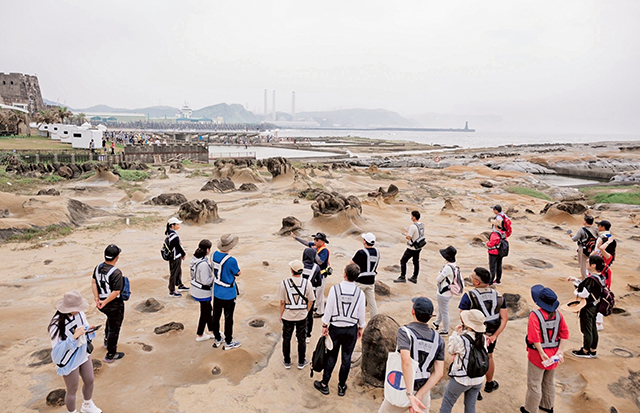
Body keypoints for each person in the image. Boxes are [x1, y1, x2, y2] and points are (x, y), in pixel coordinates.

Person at [379, 297, 445, 413]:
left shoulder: (405, 332)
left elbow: (406, 362)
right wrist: (419, 395)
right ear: (431, 316)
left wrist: (410, 394)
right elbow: (439, 373)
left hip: (403, 387)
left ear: (412, 311)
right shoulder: (439, 340)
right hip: (423, 391)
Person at [314, 264, 366, 397]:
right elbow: (361, 312)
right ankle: (341, 386)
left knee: (331, 356)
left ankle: (325, 384)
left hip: (336, 328)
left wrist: (325, 325)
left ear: (345, 274)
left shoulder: (335, 289)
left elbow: (329, 308)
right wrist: (360, 327)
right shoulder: (360, 293)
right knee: (346, 358)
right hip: (351, 329)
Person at [49, 290, 102, 413]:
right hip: (69, 360)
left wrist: (89, 330)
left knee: (90, 380)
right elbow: (57, 352)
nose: (79, 310)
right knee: (72, 389)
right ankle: (72, 412)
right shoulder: (55, 325)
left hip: (83, 352)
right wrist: (73, 338)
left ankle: (87, 405)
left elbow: (84, 327)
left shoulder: (79, 314)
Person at [459, 267, 507, 395]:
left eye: (473, 277)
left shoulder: (469, 296)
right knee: (489, 356)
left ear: (477, 282)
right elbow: (504, 318)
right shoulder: (499, 296)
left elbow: (462, 316)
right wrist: (494, 336)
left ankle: (475, 388)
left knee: (472, 357)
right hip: (492, 333)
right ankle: (489, 384)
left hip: (473, 333)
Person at [521, 285, 568, 413]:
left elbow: (534, 338)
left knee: (534, 384)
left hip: (537, 355)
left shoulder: (535, 315)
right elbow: (564, 333)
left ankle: (530, 409)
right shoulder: (558, 314)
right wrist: (560, 351)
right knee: (549, 382)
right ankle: (547, 406)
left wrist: (541, 353)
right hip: (554, 354)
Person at [439, 309, 487, 413]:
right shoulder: (483, 338)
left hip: (461, 379)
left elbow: (451, 349)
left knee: (447, 403)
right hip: (478, 379)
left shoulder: (461, 339)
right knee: (470, 406)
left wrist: (455, 333)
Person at [277, 260, 315, 369]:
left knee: (287, 338)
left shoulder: (284, 283)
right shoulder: (307, 283)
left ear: (291, 271)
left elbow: (282, 302)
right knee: (301, 338)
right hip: (301, 315)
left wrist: (281, 314)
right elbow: (311, 300)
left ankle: (287, 361)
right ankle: (301, 361)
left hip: (288, 314)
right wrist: (306, 311)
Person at [91, 244, 125, 363]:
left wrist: (97, 299)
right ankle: (111, 354)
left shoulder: (98, 267)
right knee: (114, 328)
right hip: (112, 304)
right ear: (117, 257)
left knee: (110, 320)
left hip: (102, 302)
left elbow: (94, 283)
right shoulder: (116, 273)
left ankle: (106, 341)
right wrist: (105, 302)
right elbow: (116, 292)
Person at [567, 255, 605, 358]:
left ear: (593, 265)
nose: (586, 263)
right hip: (595, 306)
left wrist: (575, 291)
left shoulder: (591, 279)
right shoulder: (601, 277)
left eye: (588, 262)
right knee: (593, 328)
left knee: (586, 329)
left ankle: (585, 351)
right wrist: (575, 280)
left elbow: (584, 294)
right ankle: (593, 350)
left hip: (587, 306)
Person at [211, 234, 241, 350]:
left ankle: (217, 337)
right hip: (229, 292)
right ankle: (228, 341)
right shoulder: (231, 260)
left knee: (216, 316)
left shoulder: (214, 255)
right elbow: (237, 272)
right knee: (228, 318)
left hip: (217, 290)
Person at [292, 232, 331, 317]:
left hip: (322, 275)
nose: (314, 241)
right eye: (314, 239)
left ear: (322, 241)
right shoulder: (316, 246)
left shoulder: (324, 250)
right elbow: (306, 243)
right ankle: (316, 306)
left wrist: (314, 252)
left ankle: (320, 312)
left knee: (319, 294)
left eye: (317, 240)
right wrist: (296, 237)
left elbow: (320, 261)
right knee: (315, 292)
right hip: (315, 274)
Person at [190, 239, 215, 342]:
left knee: (208, 310)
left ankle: (213, 331)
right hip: (203, 292)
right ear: (208, 250)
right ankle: (200, 334)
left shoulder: (195, 258)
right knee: (205, 312)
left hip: (196, 289)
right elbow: (206, 281)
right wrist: (215, 278)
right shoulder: (203, 264)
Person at [351, 232, 380, 317]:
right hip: (371, 281)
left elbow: (351, 264)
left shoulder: (361, 252)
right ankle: (375, 319)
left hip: (360, 281)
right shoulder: (377, 252)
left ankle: (352, 317)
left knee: (354, 300)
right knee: (372, 302)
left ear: (364, 241)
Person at [434, 246, 459, 335]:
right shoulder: (454, 265)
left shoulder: (448, 267)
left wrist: (440, 274)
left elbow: (438, 279)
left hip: (443, 292)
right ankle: (437, 322)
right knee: (442, 308)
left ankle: (445, 330)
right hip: (448, 292)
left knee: (444, 311)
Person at [395, 210, 425, 284]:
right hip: (418, 247)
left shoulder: (412, 226)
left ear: (414, 217)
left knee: (403, 261)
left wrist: (406, 234)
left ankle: (402, 277)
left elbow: (409, 237)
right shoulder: (421, 224)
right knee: (416, 262)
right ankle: (414, 277)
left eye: (411, 216)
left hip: (412, 248)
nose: (411, 217)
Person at [568, 214, 598, 279]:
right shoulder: (596, 229)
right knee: (592, 264)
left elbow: (574, 239)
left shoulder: (581, 230)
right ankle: (592, 277)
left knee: (583, 265)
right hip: (593, 250)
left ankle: (585, 278)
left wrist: (571, 235)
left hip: (583, 249)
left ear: (585, 221)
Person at [301, 247, 321, 343]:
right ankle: (308, 335)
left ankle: (299, 334)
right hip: (311, 293)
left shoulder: (300, 265)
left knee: (300, 313)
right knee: (309, 315)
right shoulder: (316, 267)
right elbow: (319, 283)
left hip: (300, 292)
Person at [165, 217, 188, 298]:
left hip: (175, 256)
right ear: (172, 225)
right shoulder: (173, 235)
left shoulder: (170, 234)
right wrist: (183, 254)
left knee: (178, 271)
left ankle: (180, 285)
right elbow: (177, 246)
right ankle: (172, 291)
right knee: (174, 273)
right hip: (175, 257)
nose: (178, 226)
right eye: (177, 224)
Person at [486, 219, 506, 285]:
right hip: (500, 252)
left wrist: (487, 243)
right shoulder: (503, 233)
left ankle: (490, 281)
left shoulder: (494, 234)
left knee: (492, 267)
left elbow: (491, 244)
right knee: (499, 266)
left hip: (493, 252)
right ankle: (498, 280)